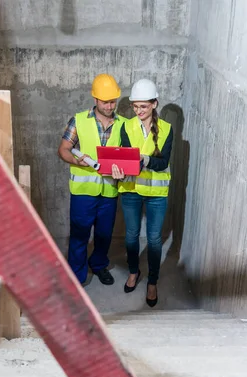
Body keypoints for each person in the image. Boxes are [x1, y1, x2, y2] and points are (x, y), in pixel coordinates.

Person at [57, 73, 125, 285]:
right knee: (79, 236)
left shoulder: (124, 124)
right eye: (105, 101)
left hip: (109, 192)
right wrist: (78, 162)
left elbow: (127, 156)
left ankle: (98, 265)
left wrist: (123, 169)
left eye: (113, 101)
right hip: (83, 192)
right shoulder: (78, 120)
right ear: (95, 99)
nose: (110, 106)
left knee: (104, 235)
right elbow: (64, 150)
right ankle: (77, 275)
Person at [111, 79, 173, 307]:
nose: (138, 111)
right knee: (132, 235)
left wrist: (144, 159)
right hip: (131, 189)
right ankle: (134, 272)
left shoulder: (166, 129)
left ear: (154, 104)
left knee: (155, 239)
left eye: (143, 107)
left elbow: (163, 162)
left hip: (156, 191)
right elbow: (125, 158)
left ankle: (153, 281)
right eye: (135, 106)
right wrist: (117, 170)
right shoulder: (126, 126)